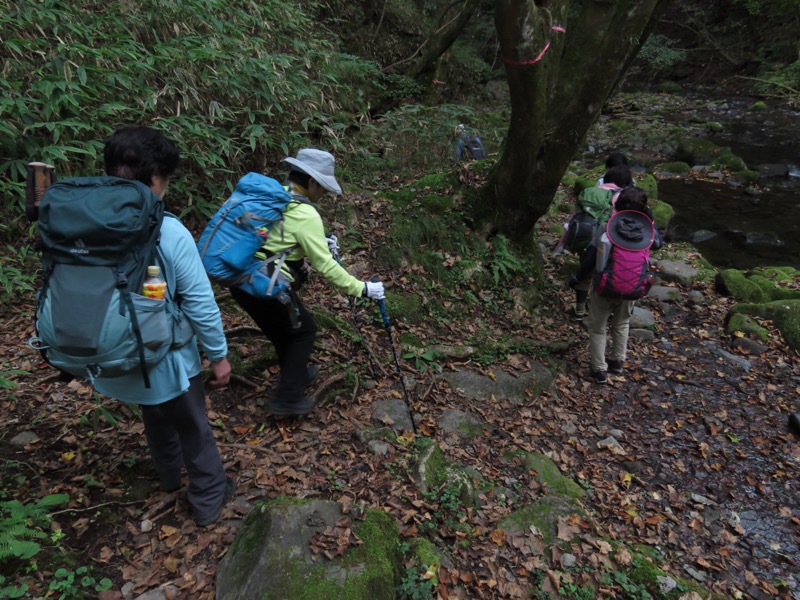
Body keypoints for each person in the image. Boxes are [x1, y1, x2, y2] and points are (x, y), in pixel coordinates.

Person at [96, 125, 234, 527]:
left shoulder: (93, 224)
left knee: (155, 414)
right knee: (194, 426)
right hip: (168, 353)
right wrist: (219, 355)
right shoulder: (167, 230)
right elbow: (199, 302)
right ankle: (209, 502)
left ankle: (170, 478)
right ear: (155, 178)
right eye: (166, 177)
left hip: (118, 347)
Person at [228, 149, 385, 417]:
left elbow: (279, 238)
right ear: (311, 182)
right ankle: (287, 400)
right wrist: (362, 289)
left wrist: (319, 242)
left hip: (241, 279)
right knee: (305, 331)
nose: (323, 192)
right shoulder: (306, 214)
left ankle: (296, 375)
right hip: (264, 285)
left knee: (283, 330)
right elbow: (326, 266)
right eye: (322, 186)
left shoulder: (276, 195)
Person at [570, 186, 663, 384]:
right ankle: (617, 362)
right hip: (632, 287)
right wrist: (649, 217)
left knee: (597, 327)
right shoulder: (647, 229)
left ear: (617, 205)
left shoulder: (608, 226)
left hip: (604, 285)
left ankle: (599, 370)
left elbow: (591, 257)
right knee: (621, 323)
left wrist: (578, 278)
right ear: (644, 207)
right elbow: (658, 244)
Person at [571, 164, 633, 321]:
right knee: (608, 274)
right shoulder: (623, 196)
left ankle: (579, 310)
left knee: (585, 274)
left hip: (587, 237)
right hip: (611, 242)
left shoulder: (591, 193)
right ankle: (607, 312)